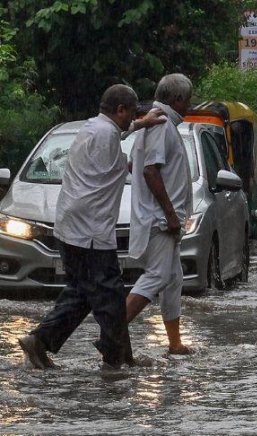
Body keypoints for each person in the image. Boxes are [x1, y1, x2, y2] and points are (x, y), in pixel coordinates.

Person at [17, 85, 166, 370]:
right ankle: (116, 361)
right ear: (120, 110)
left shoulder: (92, 127)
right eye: (131, 113)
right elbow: (130, 163)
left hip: (70, 226)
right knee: (110, 296)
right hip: (91, 231)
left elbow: (118, 131)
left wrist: (138, 124)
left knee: (82, 293)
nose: (131, 118)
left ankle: (40, 340)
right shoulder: (107, 135)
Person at [126, 73, 195, 356]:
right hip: (161, 220)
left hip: (164, 218)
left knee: (172, 278)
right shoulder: (160, 124)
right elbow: (148, 170)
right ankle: (112, 332)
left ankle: (175, 342)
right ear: (177, 99)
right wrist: (169, 213)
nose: (190, 105)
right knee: (156, 276)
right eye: (188, 100)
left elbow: (135, 165)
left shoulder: (154, 122)